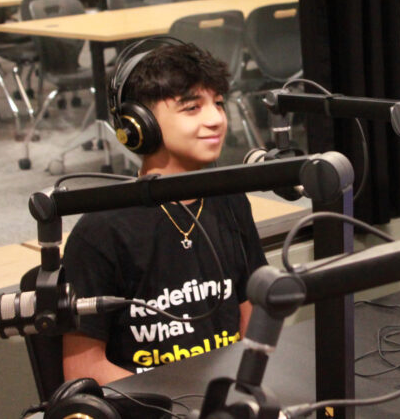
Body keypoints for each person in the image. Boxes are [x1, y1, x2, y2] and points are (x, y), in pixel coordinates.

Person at [61, 42, 267, 384]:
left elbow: (254, 320)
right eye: (192, 108)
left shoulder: (229, 200)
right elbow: (84, 372)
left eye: (217, 103)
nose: (215, 119)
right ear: (139, 123)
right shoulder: (101, 230)